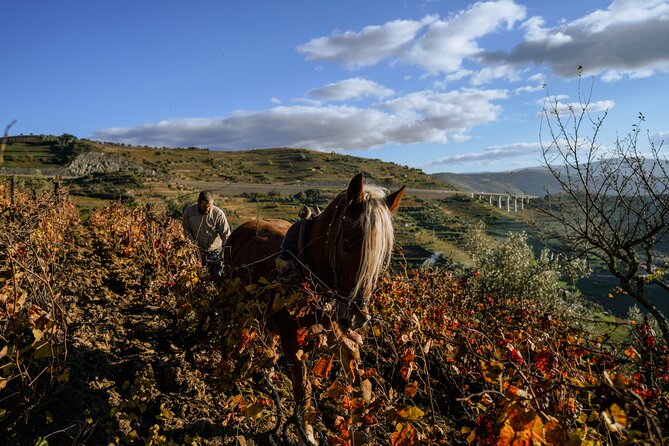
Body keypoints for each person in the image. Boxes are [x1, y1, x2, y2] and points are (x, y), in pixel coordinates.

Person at [182, 191, 231, 279]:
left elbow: (226, 235)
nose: (207, 209)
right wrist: (192, 244)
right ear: (198, 202)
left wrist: (225, 253)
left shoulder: (218, 214)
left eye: (210, 207)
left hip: (215, 252)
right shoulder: (189, 211)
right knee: (195, 278)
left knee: (216, 278)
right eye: (204, 207)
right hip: (195, 251)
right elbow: (186, 230)